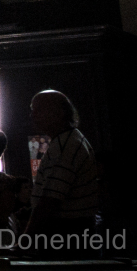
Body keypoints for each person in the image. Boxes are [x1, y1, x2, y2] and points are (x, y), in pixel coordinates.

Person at [26, 90, 100, 238]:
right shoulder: (68, 140)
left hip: (67, 234)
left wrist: (26, 240)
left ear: (59, 113)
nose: (32, 115)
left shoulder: (66, 146)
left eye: (38, 109)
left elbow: (50, 200)